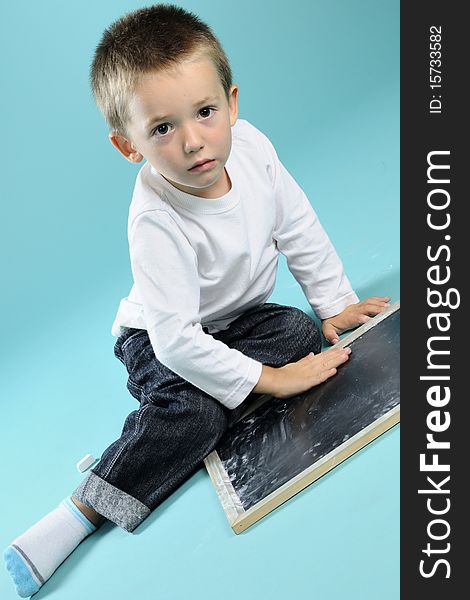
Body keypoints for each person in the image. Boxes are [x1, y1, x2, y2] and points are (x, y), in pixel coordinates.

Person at [4, 4, 390, 597]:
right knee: (200, 412)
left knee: (296, 333)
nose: (192, 141)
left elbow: (297, 225)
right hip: (155, 340)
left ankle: (161, 431)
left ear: (232, 103)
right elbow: (177, 340)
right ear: (127, 145)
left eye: (206, 113)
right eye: (160, 128)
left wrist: (335, 302)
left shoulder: (254, 148)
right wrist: (272, 381)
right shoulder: (155, 219)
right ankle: (84, 507)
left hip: (236, 323)